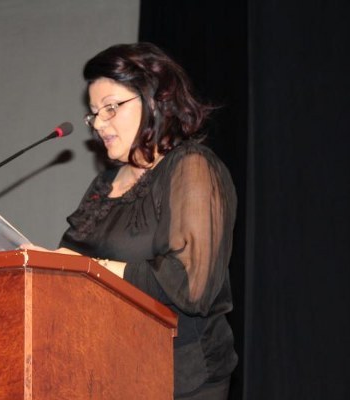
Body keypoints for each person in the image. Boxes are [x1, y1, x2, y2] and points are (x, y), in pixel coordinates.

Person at [23, 42, 238, 399]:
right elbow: (69, 266)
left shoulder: (192, 168)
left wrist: (92, 269)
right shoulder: (105, 184)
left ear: (155, 100)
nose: (98, 124)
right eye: (94, 113)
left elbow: (190, 285)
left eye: (111, 108)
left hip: (180, 378)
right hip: (108, 370)